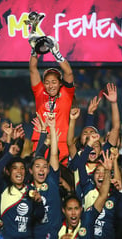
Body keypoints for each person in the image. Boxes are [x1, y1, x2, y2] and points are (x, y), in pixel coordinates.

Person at [29, 27, 75, 164]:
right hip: (41, 139)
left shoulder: (66, 93)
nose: (50, 86)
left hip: (61, 141)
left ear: (60, 83)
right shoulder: (40, 92)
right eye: (47, 83)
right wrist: (35, 51)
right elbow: (32, 69)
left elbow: (69, 73)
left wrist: (56, 52)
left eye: (54, 82)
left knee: (60, 179)